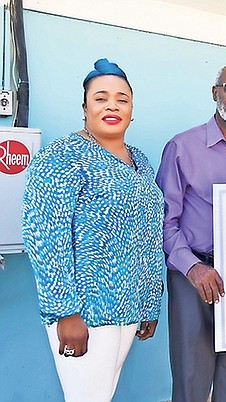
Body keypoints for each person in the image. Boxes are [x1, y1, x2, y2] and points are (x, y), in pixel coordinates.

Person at [21, 58, 163, 402]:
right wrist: (64, 313)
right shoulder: (61, 157)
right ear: (84, 108)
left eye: (122, 99)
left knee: (102, 395)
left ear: (132, 110)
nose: (112, 105)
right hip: (85, 313)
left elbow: (148, 235)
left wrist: (150, 302)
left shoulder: (140, 161)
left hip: (128, 309)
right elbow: (44, 238)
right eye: (101, 98)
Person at [156, 61, 226, 402]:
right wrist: (192, 267)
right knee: (192, 380)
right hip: (194, 278)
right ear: (215, 92)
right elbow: (164, 220)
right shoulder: (182, 147)